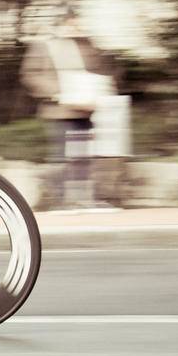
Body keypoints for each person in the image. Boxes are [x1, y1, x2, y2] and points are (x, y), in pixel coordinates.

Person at [20, 14, 115, 209]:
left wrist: (100, 91)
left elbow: (100, 71)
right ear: (60, 24)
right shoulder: (44, 46)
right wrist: (57, 92)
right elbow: (30, 75)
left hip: (84, 110)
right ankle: (61, 201)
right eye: (70, 23)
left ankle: (83, 199)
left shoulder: (87, 45)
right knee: (61, 157)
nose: (75, 27)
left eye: (77, 23)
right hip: (59, 110)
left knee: (84, 157)